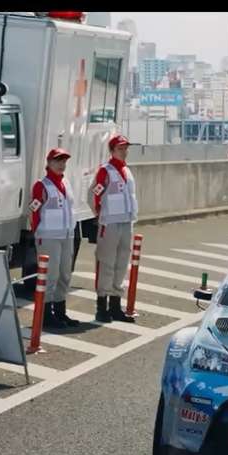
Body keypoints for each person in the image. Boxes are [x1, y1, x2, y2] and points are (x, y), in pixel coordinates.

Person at [88, 134, 138, 323]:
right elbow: (93, 195)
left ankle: (116, 306)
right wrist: (100, 215)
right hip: (109, 224)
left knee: (121, 263)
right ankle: (102, 306)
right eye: (120, 149)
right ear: (112, 151)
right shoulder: (105, 171)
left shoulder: (127, 171)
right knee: (106, 263)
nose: (124, 152)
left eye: (126, 148)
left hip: (126, 222)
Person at [30, 148, 79, 329]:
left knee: (64, 275)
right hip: (48, 237)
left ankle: (60, 311)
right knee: (50, 276)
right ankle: (45, 315)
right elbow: (34, 212)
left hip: (66, 235)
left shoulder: (66, 183)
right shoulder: (41, 185)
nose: (61, 164)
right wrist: (38, 233)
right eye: (58, 161)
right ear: (49, 163)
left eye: (64, 161)